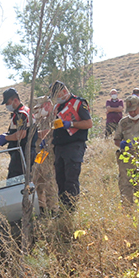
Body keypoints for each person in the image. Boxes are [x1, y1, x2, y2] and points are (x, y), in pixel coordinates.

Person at [49, 80, 92, 211]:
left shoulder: (78, 103)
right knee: (60, 180)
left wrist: (71, 124)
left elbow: (88, 123)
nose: (56, 98)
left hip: (74, 146)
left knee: (71, 180)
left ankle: (71, 210)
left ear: (63, 91)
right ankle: (63, 210)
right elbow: (55, 125)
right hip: (59, 147)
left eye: (57, 94)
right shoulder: (57, 107)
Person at [114, 96, 139, 206]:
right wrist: (121, 144)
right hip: (126, 162)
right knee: (125, 187)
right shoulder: (123, 122)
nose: (132, 113)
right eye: (130, 111)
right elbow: (116, 139)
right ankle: (127, 215)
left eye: (134, 110)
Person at [0, 88, 38, 179]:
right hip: (26, 152)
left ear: (15, 100)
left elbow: (21, 134)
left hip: (22, 153)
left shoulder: (21, 114)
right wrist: (8, 135)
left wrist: (6, 138)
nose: (7, 106)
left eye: (8, 103)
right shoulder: (26, 111)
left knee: (14, 183)